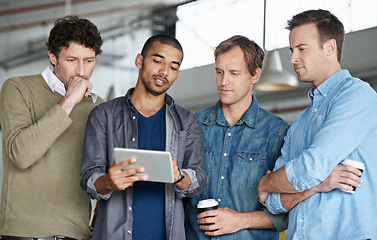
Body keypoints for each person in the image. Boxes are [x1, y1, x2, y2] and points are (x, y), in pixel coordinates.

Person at [257, 9, 377, 239]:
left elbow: (311, 168)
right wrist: (319, 185)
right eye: (292, 50)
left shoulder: (357, 96)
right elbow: (273, 203)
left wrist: (266, 183)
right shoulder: (300, 122)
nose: (292, 58)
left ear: (330, 48)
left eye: (301, 49)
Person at [80, 34, 207, 240]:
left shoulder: (187, 121)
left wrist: (179, 177)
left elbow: (199, 180)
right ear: (139, 61)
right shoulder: (103, 115)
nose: (164, 72)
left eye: (173, 67)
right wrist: (108, 182)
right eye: (157, 61)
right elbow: (88, 179)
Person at [0, 16, 104, 239]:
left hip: (75, 235)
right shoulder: (17, 88)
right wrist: (69, 101)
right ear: (53, 57)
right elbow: (21, 155)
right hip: (22, 233)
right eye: (72, 60)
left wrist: (98, 222)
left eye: (88, 61)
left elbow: (105, 174)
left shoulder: (101, 108)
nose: (81, 71)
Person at [185, 35, 290, 240]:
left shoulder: (277, 133)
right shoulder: (193, 125)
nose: (224, 82)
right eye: (219, 72)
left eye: (234, 73)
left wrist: (239, 221)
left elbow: (285, 213)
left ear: (255, 75)